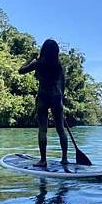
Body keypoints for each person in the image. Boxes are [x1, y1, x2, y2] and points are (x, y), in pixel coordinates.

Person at [19, 39, 68, 167]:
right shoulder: (58, 65)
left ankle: (43, 160)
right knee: (61, 129)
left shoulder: (38, 63)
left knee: (43, 130)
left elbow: (21, 70)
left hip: (43, 97)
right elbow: (63, 83)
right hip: (56, 97)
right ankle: (64, 159)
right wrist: (61, 97)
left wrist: (30, 58)